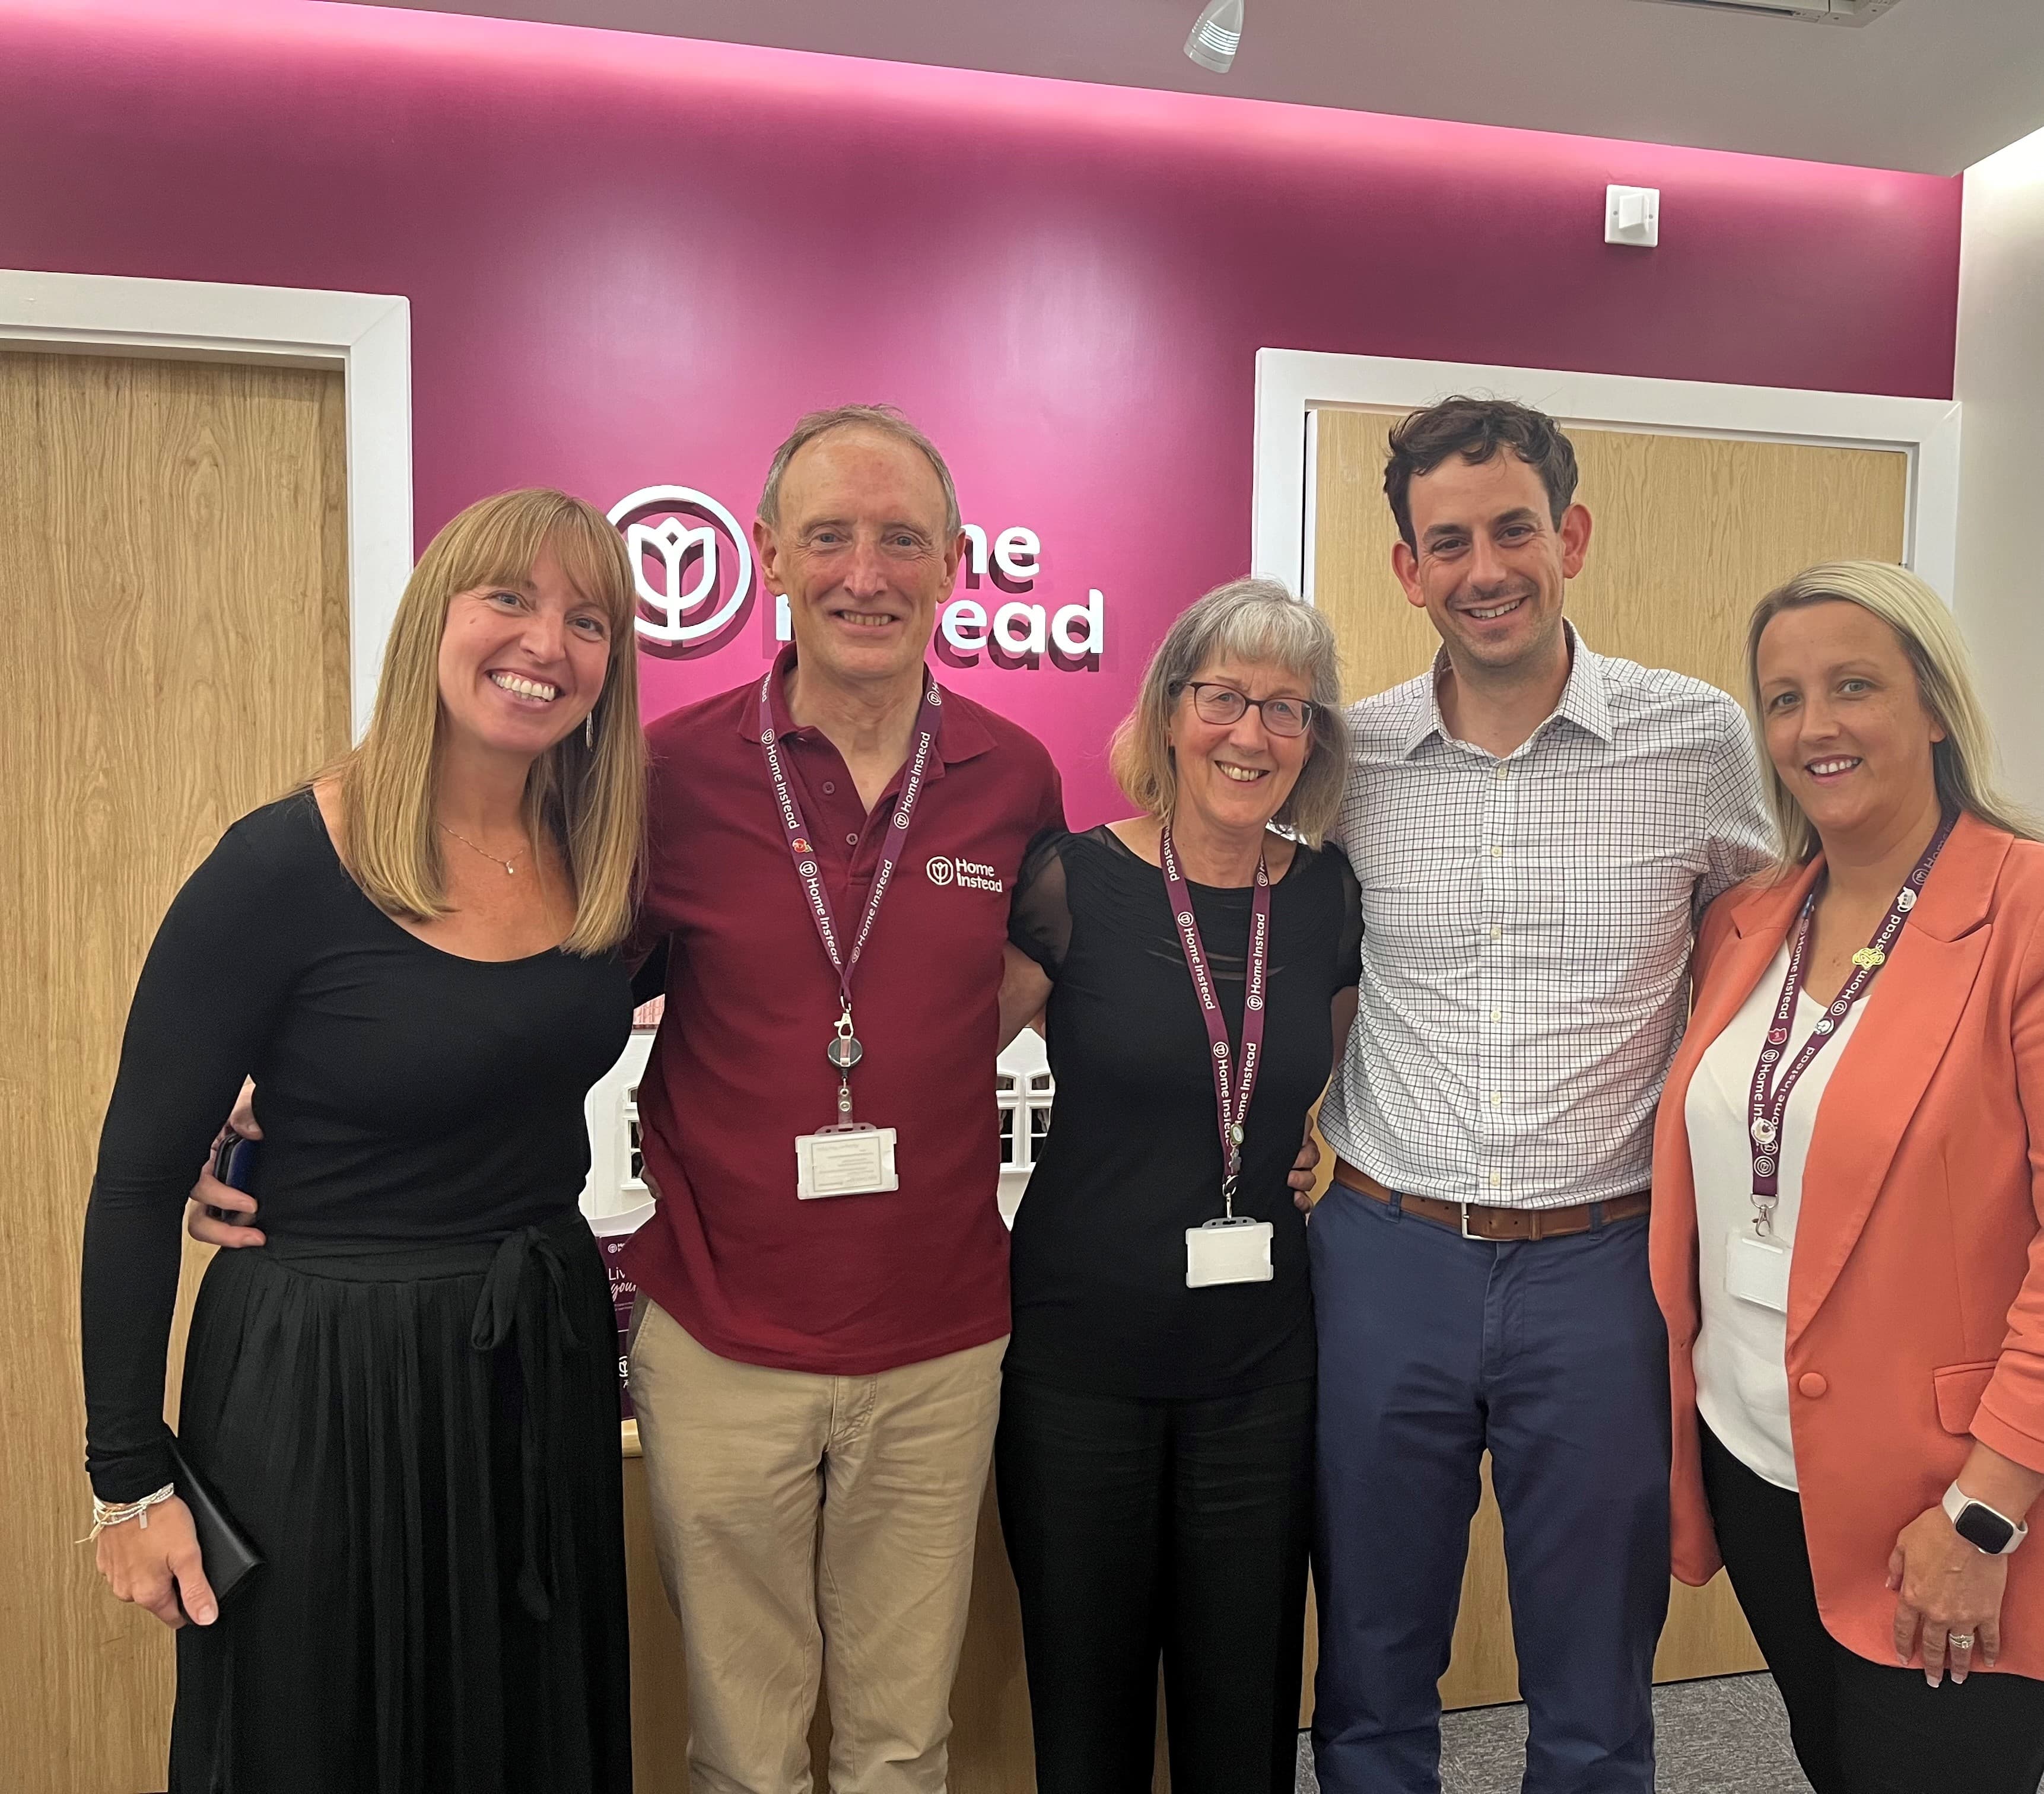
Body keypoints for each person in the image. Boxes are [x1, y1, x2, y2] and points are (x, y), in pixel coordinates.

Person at [82, 488, 646, 1793]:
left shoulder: (602, 857)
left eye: (587, 620)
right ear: (433, 619)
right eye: (509, 598)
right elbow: (133, 1183)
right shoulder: (283, 863)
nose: (545, 644)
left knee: (522, 1739)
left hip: (532, 1361)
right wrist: (128, 1478)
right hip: (323, 1377)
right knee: (319, 1738)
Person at [1308, 396, 1775, 1793]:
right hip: (1387, 1253)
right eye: (1445, 542)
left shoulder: (1694, 739)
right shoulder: (1350, 758)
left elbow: (1759, 970)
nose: (1483, 568)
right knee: (1373, 1660)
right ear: (1406, 568)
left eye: (1513, 529)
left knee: (1592, 1674)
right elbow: (1299, 962)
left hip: (1602, 1271)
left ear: (1568, 535)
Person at [619, 405, 1064, 1793]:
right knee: (744, 1752)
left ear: (949, 567)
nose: (863, 572)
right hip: (718, 1333)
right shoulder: (667, 774)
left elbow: (1040, 963)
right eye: (829, 536)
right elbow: (535, 994)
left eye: (900, 540)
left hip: (936, 1337)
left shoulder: (1012, 776)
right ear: (766, 556)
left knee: (897, 1744)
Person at [1649, 561, 2044, 1794]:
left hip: (1947, 1491)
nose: (1813, 727)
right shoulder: (1749, 921)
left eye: (1853, 686)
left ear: (1931, 705)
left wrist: (1985, 1510)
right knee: (1836, 1763)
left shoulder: (2024, 911)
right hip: (1759, 1461)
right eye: (1782, 699)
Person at [996, 579, 1361, 1793]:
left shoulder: (1325, 900)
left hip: (1262, 1364)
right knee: (1087, 1708)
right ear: (1167, 712)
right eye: (1223, 699)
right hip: (1077, 1360)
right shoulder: (1068, 884)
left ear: (1312, 742)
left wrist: (1328, 1156)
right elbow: (936, 1076)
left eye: (1285, 710)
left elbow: (1362, 1080)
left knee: (1243, 1706)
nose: (1250, 735)